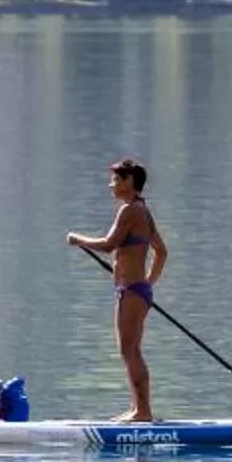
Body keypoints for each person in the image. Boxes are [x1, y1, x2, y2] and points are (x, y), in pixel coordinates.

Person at [68, 157, 168, 422]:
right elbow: (161, 251)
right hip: (135, 290)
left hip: (133, 291)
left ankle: (143, 412)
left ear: (129, 182)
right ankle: (138, 409)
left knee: (129, 350)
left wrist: (78, 240)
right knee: (130, 349)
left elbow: (109, 244)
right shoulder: (142, 211)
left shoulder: (131, 211)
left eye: (115, 179)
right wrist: (149, 283)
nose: (111, 184)